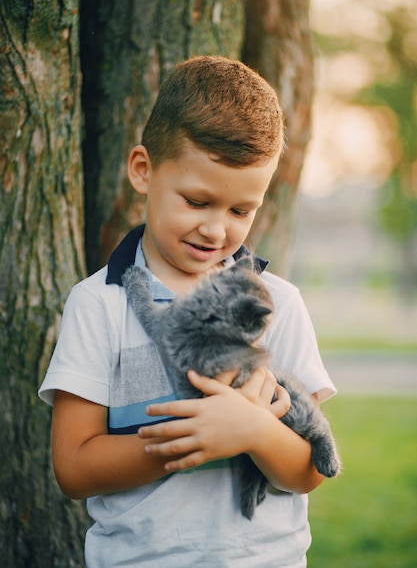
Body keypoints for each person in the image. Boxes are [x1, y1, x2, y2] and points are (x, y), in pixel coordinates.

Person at [39, 55, 336, 568]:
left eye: (240, 211)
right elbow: (74, 467)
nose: (216, 230)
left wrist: (253, 431)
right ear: (143, 170)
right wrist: (194, 439)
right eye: (197, 202)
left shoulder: (275, 303)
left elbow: (309, 468)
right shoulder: (99, 303)